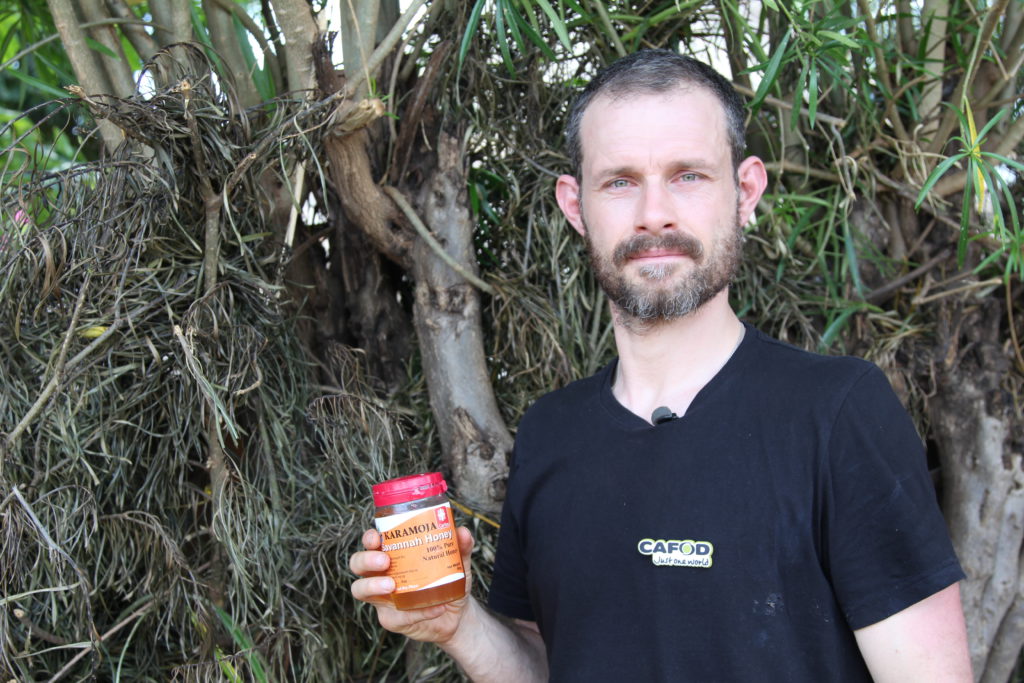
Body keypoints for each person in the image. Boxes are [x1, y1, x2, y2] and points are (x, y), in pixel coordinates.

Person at [350, 49, 972, 681]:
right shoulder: (550, 434)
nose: (654, 214)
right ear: (576, 206)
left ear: (746, 191)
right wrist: (457, 626)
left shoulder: (837, 415)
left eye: (688, 175)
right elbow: (552, 668)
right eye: (619, 181)